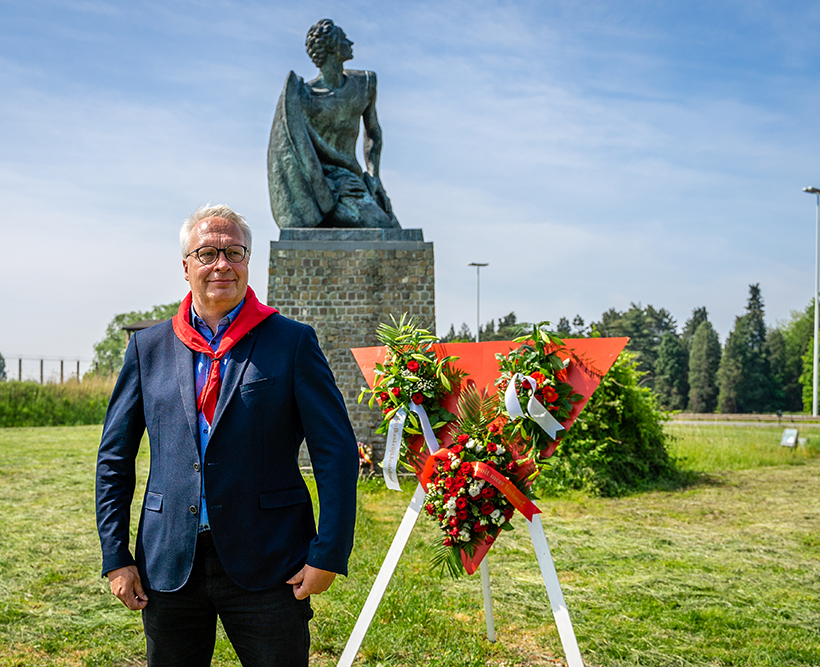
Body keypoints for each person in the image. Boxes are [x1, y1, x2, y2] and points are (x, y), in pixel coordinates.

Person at [96, 204, 358, 666]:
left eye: (234, 252)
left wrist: (329, 553)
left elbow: (335, 452)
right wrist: (115, 555)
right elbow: (114, 458)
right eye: (207, 253)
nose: (222, 264)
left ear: (248, 261)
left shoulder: (292, 342)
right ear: (186, 267)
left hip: (271, 560)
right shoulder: (147, 348)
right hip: (168, 562)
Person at [267, 19, 400, 229]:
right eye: (343, 38)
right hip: (320, 184)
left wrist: (374, 177)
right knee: (380, 225)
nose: (351, 42)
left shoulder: (364, 83)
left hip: (354, 180)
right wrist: (326, 185)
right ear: (330, 48)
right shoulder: (303, 96)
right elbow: (293, 151)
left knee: (392, 230)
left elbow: (373, 132)